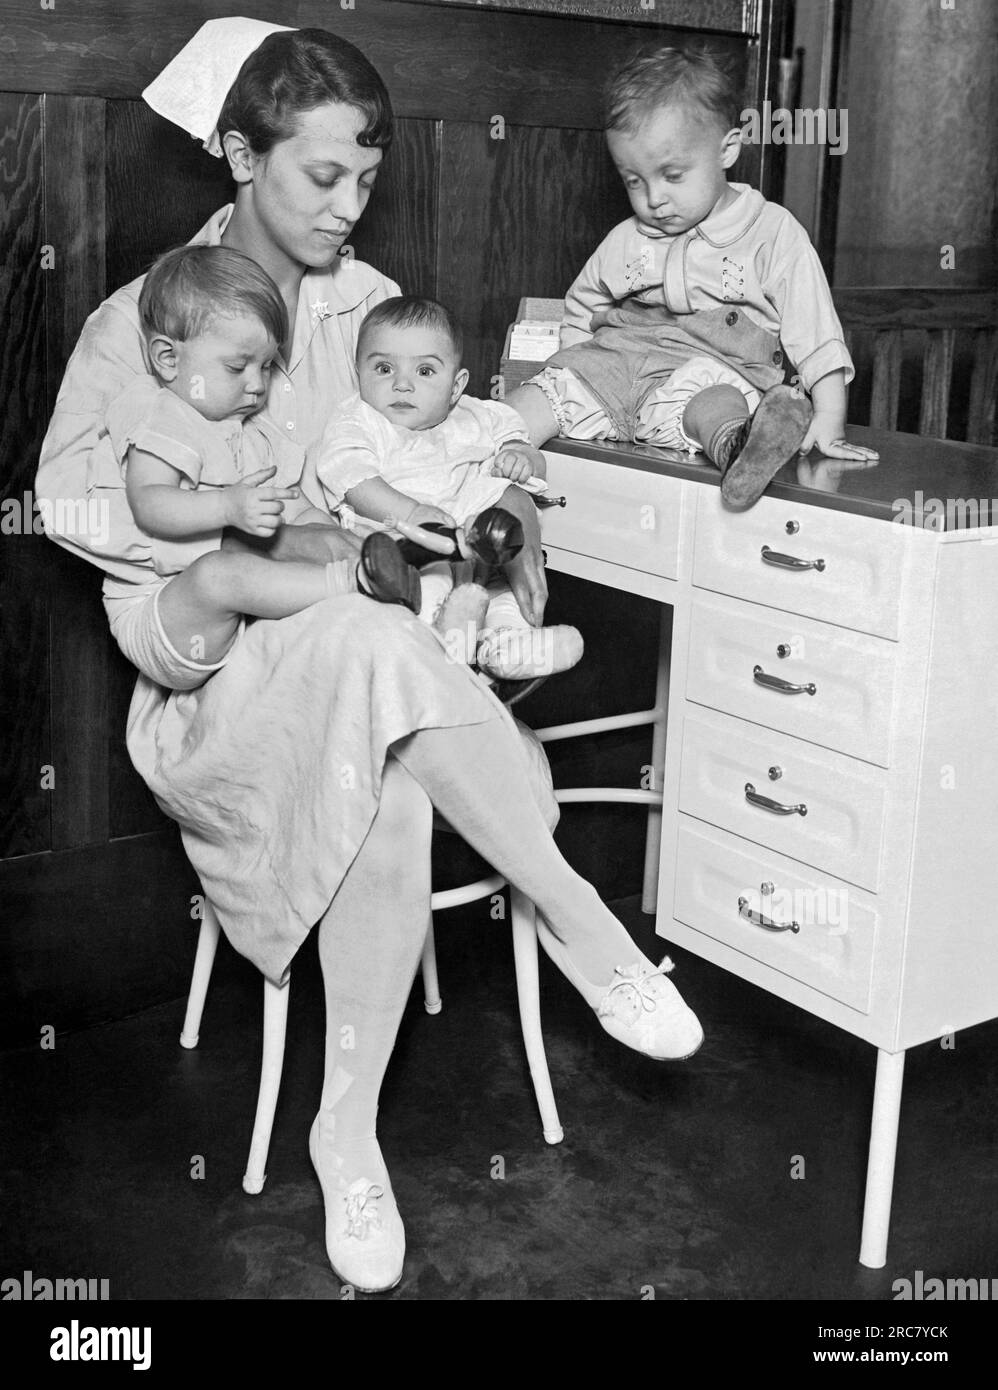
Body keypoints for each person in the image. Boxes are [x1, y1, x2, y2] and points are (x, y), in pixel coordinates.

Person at [35, 20, 703, 1295]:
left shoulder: (371, 311)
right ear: (239, 155)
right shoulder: (148, 319)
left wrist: (501, 497)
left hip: (383, 658)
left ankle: (344, 1134)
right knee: (353, 636)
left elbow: (460, 470)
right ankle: (581, 917)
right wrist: (242, 518)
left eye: (366, 177)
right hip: (216, 674)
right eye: (320, 178)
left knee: (384, 737)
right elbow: (65, 510)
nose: (351, 207)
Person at [508, 45, 879, 508]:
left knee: (717, 401)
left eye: (672, 175)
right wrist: (573, 367)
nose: (653, 199)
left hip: (713, 369)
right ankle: (495, 447)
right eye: (634, 181)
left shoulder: (771, 232)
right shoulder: (626, 238)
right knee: (531, 398)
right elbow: (584, 304)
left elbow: (815, 331)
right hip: (617, 365)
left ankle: (739, 447)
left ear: (727, 148)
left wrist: (829, 417)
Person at [104, 243, 431, 690]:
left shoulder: (250, 432)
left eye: (266, 367)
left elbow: (290, 505)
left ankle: (388, 589)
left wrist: (335, 534)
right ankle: (351, 584)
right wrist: (227, 508)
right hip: (164, 614)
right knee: (220, 573)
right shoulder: (164, 416)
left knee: (313, 551)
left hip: (232, 616)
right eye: (237, 367)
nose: (257, 386)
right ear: (168, 358)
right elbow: (149, 504)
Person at [315, 294, 584, 684]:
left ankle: (508, 645)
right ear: (359, 372)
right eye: (384, 368)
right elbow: (351, 477)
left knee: (502, 592)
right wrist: (410, 513)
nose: (402, 385)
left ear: (456, 385)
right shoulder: (359, 421)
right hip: (409, 554)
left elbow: (522, 443)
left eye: (425, 371)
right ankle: (443, 638)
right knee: (431, 585)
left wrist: (520, 457)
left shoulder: (479, 416)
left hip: (480, 554)